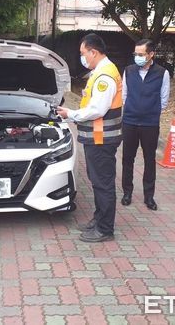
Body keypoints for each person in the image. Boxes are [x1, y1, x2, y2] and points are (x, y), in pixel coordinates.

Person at [57, 33, 123, 242]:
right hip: (97, 138)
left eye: (83, 53)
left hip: (102, 139)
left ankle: (105, 229)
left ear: (93, 52)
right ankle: (99, 218)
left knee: (103, 183)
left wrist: (71, 114)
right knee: (97, 181)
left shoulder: (104, 76)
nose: (82, 58)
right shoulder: (101, 72)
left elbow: (97, 110)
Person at [120, 39, 170, 211]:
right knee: (128, 158)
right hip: (130, 121)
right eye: (136, 54)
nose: (138, 57)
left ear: (151, 55)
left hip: (150, 123)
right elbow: (124, 95)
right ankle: (127, 192)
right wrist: (132, 110)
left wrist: (151, 111)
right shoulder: (129, 71)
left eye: (141, 54)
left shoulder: (162, 73)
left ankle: (149, 196)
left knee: (150, 160)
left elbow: (164, 99)